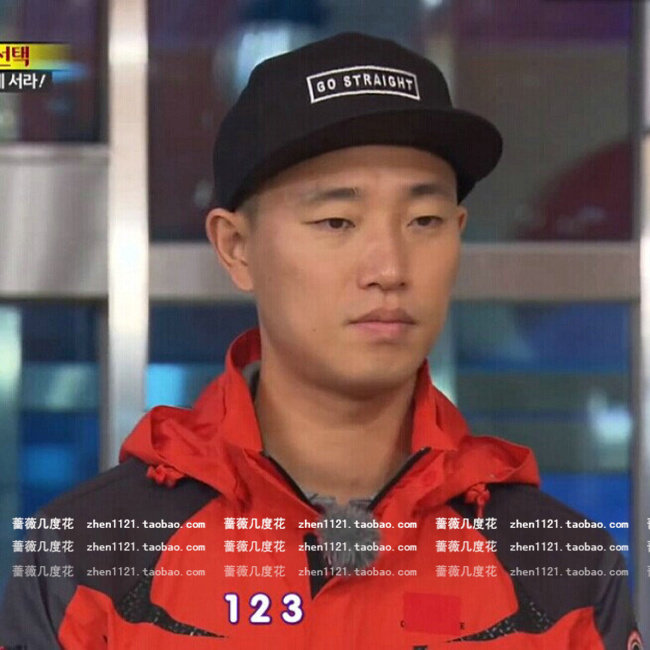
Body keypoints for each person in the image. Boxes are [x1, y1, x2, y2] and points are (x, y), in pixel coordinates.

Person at [0, 31, 641, 650]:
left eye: (424, 220)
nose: (389, 268)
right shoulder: (90, 556)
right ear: (237, 247)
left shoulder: (559, 568)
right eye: (337, 221)